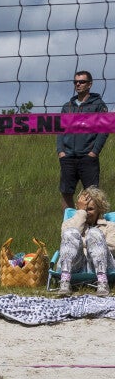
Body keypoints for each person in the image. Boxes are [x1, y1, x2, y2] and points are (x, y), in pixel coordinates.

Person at [58, 70, 107, 210]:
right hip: (68, 157)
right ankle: (69, 223)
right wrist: (61, 151)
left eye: (82, 82)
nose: (78, 84)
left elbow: (103, 130)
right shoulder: (67, 106)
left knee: (92, 195)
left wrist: (94, 152)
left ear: (89, 84)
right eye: (75, 82)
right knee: (66, 193)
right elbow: (60, 130)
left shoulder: (98, 105)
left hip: (87, 157)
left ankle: (91, 224)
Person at [57, 187, 111, 296]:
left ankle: (103, 282)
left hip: (103, 265)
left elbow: (112, 247)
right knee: (70, 232)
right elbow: (67, 239)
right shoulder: (69, 224)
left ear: (100, 209)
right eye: (83, 209)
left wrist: (88, 242)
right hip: (77, 265)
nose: (86, 213)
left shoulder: (110, 227)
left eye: (90, 209)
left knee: (94, 233)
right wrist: (81, 213)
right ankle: (65, 282)